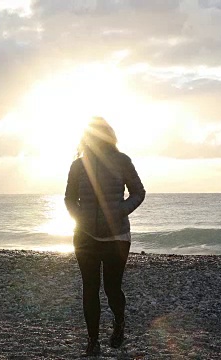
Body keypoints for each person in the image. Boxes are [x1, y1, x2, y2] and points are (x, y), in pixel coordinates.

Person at [64, 117, 146, 356]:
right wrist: (79, 219)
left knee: (112, 289)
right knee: (89, 289)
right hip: (85, 236)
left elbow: (139, 192)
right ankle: (92, 340)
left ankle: (119, 323)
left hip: (116, 237)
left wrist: (120, 211)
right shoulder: (78, 166)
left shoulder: (122, 161)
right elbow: (69, 199)